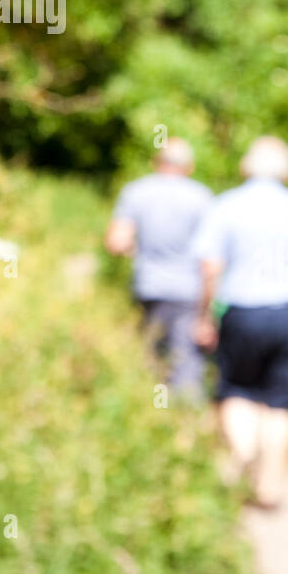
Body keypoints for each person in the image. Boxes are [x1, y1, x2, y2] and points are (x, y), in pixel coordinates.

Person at [191, 136, 288, 509]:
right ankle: (269, 488)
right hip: (287, 313)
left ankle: (242, 449)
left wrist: (204, 315)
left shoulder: (225, 207)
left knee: (237, 391)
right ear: (286, 170)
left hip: (239, 313)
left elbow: (210, 267)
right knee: (282, 402)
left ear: (246, 166)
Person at [105, 137, 213, 398]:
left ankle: (149, 416)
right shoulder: (203, 197)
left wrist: (138, 251)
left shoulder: (135, 192)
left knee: (150, 358)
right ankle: (185, 425)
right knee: (186, 363)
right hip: (189, 291)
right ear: (189, 167)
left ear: (157, 162)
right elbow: (212, 258)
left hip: (149, 288)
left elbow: (116, 243)